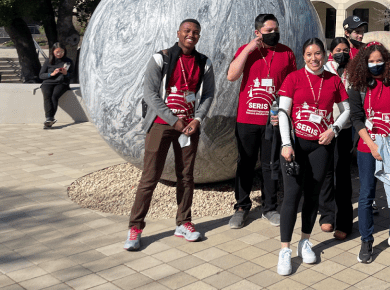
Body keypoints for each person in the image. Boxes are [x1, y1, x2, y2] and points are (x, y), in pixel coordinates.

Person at [124, 19, 216, 251]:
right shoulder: (161, 58)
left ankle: (184, 223)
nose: (191, 35)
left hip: (189, 126)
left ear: (199, 36)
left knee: (186, 176)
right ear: (178, 33)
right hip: (161, 124)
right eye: (187, 31)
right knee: (150, 176)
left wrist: (197, 119)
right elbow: (150, 94)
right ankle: (135, 228)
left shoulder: (203, 62)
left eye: (195, 32)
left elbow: (208, 95)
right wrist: (173, 120)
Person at [276, 38, 351, 276]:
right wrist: (286, 144)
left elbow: (348, 110)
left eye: (317, 53)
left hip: (321, 145)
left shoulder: (333, 80)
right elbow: (283, 112)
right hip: (296, 145)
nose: (313, 58)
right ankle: (285, 250)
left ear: (324, 55)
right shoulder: (294, 78)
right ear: (303, 56)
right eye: (308, 54)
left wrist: (334, 130)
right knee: (291, 197)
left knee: (313, 196)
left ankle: (305, 241)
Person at [227, 14, 296, 229]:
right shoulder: (246, 51)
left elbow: (292, 87)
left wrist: (284, 113)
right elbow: (231, 75)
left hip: (272, 121)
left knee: (271, 164)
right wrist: (248, 49)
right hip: (247, 119)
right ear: (257, 32)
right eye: (268, 31)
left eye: (276, 30)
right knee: (245, 163)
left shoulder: (286, 53)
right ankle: (241, 207)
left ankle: (269, 207)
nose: (274, 34)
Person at [347, 42, 390, 262]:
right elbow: (356, 118)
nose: (375, 65)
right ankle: (367, 240)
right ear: (364, 64)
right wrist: (374, 146)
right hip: (367, 147)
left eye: (379, 60)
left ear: (387, 60)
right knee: (366, 195)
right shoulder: (358, 85)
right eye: (371, 61)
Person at [318, 37, 354, 240]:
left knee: (342, 175)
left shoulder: (355, 70)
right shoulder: (324, 70)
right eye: (339, 49)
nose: (343, 53)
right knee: (326, 173)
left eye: (346, 49)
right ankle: (327, 215)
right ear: (331, 52)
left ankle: (344, 221)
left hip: (345, 128)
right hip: (324, 128)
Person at [39, 42, 74, 128]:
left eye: (61, 51)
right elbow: (41, 75)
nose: (59, 54)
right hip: (48, 82)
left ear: (64, 51)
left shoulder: (68, 61)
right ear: (53, 51)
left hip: (62, 83)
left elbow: (72, 75)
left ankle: (49, 119)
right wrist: (51, 74)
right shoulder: (48, 61)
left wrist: (66, 73)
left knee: (54, 96)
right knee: (47, 96)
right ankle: (49, 119)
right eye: (57, 51)